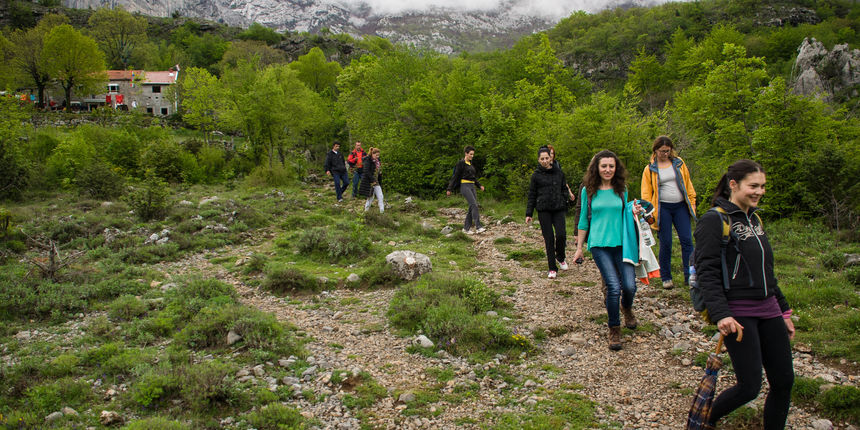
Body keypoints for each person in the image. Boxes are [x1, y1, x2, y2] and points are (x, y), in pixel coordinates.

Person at [694, 159, 794, 429]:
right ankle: (706, 419)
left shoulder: (755, 218)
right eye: (753, 186)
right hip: (738, 312)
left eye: (762, 186)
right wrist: (721, 313)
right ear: (733, 184)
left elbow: (766, 271)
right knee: (749, 387)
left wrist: (783, 310)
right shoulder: (714, 220)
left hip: (769, 308)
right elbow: (706, 270)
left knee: (784, 381)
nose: (759, 192)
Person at [572, 150, 643, 350]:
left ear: (616, 168)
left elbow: (625, 214)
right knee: (613, 286)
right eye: (604, 166)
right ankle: (614, 328)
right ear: (597, 168)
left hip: (622, 244)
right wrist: (579, 249)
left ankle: (627, 307)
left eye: (611, 166)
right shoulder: (588, 190)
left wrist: (634, 211)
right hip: (599, 245)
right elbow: (584, 220)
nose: (608, 169)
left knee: (629, 286)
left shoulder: (622, 189)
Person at [640, 136, 697, 289]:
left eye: (667, 151)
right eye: (661, 151)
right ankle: (666, 277)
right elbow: (646, 193)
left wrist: (692, 202)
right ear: (655, 151)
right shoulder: (650, 168)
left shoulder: (679, 163)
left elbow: (688, 183)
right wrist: (648, 212)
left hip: (680, 206)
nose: (664, 154)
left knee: (687, 240)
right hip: (662, 208)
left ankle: (689, 275)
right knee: (666, 242)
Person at [526, 147, 571, 279]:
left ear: (551, 158)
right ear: (538, 160)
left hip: (558, 208)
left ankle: (560, 257)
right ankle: (552, 268)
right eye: (542, 159)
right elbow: (532, 194)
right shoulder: (536, 176)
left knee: (561, 235)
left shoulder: (559, 173)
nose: (545, 161)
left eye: (547, 158)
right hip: (543, 210)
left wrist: (564, 200)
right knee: (549, 239)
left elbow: (564, 189)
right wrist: (529, 213)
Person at [447, 146, 485, 234]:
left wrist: (479, 185)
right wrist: (450, 188)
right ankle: (478, 227)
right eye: (470, 154)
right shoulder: (461, 163)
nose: (472, 156)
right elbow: (455, 176)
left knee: (471, 207)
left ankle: (466, 229)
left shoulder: (471, 165)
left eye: (473, 154)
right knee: (474, 205)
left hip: (472, 186)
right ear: (466, 153)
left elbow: (474, 178)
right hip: (465, 186)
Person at [359, 147, 384, 213]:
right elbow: (366, 171)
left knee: (380, 196)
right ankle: (366, 212)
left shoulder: (378, 161)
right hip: (368, 181)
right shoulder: (367, 160)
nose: (377, 157)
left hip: (376, 181)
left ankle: (382, 212)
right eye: (376, 155)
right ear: (372, 154)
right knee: (370, 197)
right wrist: (372, 179)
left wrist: (379, 174)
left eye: (378, 155)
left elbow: (378, 171)